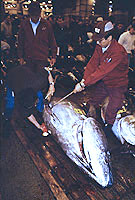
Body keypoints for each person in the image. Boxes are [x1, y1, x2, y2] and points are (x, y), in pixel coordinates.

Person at [73, 20, 128, 136]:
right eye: (96, 40)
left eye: (101, 40)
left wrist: (84, 84)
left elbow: (102, 71)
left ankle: (108, 130)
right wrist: (84, 79)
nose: (98, 43)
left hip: (117, 84)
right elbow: (92, 64)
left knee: (112, 110)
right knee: (92, 101)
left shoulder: (118, 52)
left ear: (110, 38)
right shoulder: (100, 47)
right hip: (105, 82)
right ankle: (94, 121)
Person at [2, 65, 55, 137]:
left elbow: (47, 70)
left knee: (40, 95)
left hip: (25, 72)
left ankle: (41, 110)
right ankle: (6, 118)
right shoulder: (21, 99)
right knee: (10, 104)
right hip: (11, 76)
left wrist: (51, 86)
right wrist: (38, 126)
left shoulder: (38, 82)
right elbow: (27, 113)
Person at [18, 1, 57, 72]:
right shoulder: (24, 24)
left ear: (39, 13)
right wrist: (20, 57)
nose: (35, 18)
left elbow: (52, 41)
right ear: (29, 13)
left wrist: (54, 56)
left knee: (41, 80)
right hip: (28, 58)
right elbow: (20, 41)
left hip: (42, 58)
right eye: (33, 15)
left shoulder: (47, 24)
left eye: (36, 15)